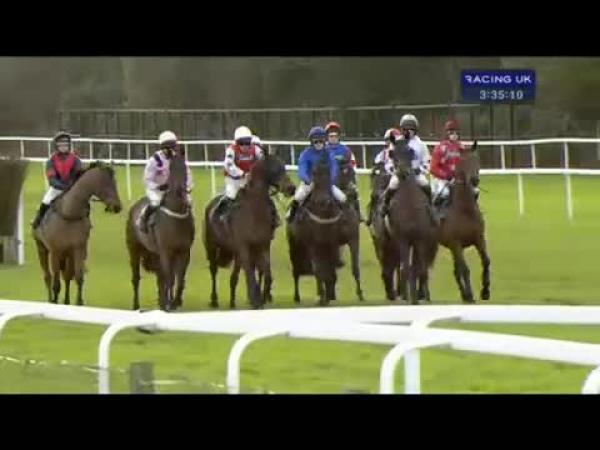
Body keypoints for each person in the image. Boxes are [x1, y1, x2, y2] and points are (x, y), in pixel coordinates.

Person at [214, 126, 280, 228]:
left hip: (250, 179)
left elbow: (263, 161)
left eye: (247, 142)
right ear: (237, 142)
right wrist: (242, 174)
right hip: (234, 180)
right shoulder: (231, 150)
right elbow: (228, 165)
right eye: (242, 143)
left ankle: (274, 217)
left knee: (265, 195)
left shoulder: (255, 149)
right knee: (231, 194)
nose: (245, 145)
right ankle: (222, 216)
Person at [286, 126, 347, 223]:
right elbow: (302, 170)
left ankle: (345, 219)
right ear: (311, 142)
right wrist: (309, 181)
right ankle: (291, 217)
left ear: (324, 141)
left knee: (343, 198)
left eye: (321, 141)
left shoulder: (329, 153)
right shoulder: (305, 154)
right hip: (309, 183)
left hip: (326, 183)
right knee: (298, 197)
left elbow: (334, 168)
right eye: (316, 141)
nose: (318, 143)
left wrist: (331, 180)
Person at [139, 130, 193, 233]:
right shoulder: (154, 160)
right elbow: (147, 179)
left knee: (189, 202)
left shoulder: (179, 159)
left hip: (174, 189)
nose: (172, 150)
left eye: (173, 147)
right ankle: (144, 219)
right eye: (169, 148)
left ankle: (189, 225)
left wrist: (188, 187)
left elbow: (187, 174)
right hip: (156, 190)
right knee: (156, 202)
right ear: (163, 148)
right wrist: (158, 186)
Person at [380, 114, 432, 218]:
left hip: (416, 174)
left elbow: (427, 162)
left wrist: (420, 170)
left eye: (411, 129)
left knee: (426, 185)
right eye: (406, 129)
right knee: (393, 184)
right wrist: (395, 170)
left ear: (415, 130)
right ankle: (385, 205)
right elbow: (389, 162)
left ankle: (431, 208)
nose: (409, 132)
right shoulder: (395, 143)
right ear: (402, 129)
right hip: (400, 174)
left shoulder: (421, 145)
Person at [32, 131, 83, 229]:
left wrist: (71, 185)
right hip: (56, 189)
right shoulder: (51, 161)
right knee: (46, 201)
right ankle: (38, 221)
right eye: (61, 144)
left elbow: (78, 175)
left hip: (72, 188)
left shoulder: (76, 160)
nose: (63, 146)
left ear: (69, 145)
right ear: (56, 146)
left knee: (84, 202)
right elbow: (51, 178)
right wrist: (61, 186)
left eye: (65, 144)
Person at [430, 119, 479, 210]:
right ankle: (436, 213)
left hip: (457, 179)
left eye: (456, 133)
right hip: (441, 179)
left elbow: (466, 161)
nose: (454, 135)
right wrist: (446, 176)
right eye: (452, 133)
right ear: (447, 134)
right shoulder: (440, 148)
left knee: (474, 191)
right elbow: (433, 168)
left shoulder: (460, 147)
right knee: (444, 193)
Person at [324, 121, 364, 222]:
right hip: (326, 181)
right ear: (327, 137)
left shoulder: (346, 150)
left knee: (354, 191)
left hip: (343, 181)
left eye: (335, 136)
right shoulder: (322, 150)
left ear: (339, 137)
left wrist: (346, 165)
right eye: (331, 136)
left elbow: (352, 165)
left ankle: (358, 214)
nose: (333, 138)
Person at [365, 128, 400, 226]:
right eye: (389, 140)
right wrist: (375, 171)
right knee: (374, 195)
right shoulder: (383, 153)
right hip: (385, 178)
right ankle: (371, 217)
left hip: (398, 177)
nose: (390, 142)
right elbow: (376, 165)